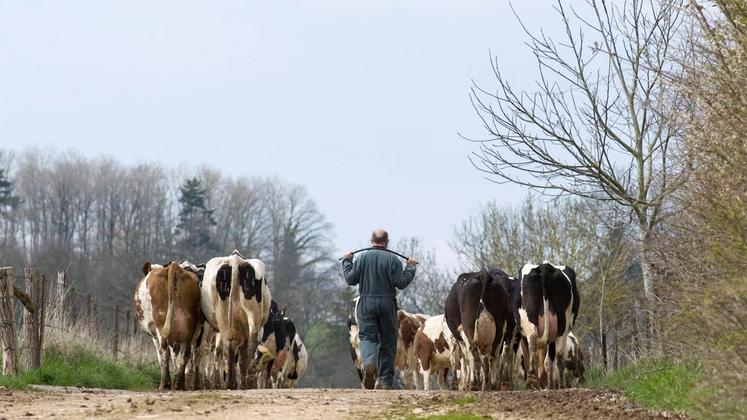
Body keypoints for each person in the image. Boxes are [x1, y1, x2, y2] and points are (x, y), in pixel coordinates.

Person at [341, 229, 417, 389]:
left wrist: (347, 261)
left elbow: (351, 279)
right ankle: (385, 380)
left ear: (371, 241)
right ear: (387, 242)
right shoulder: (393, 260)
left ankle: (369, 364)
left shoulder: (362, 258)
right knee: (388, 341)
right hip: (387, 303)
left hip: (366, 303)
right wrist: (410, 267)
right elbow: (402, 282)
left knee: (368, 337)